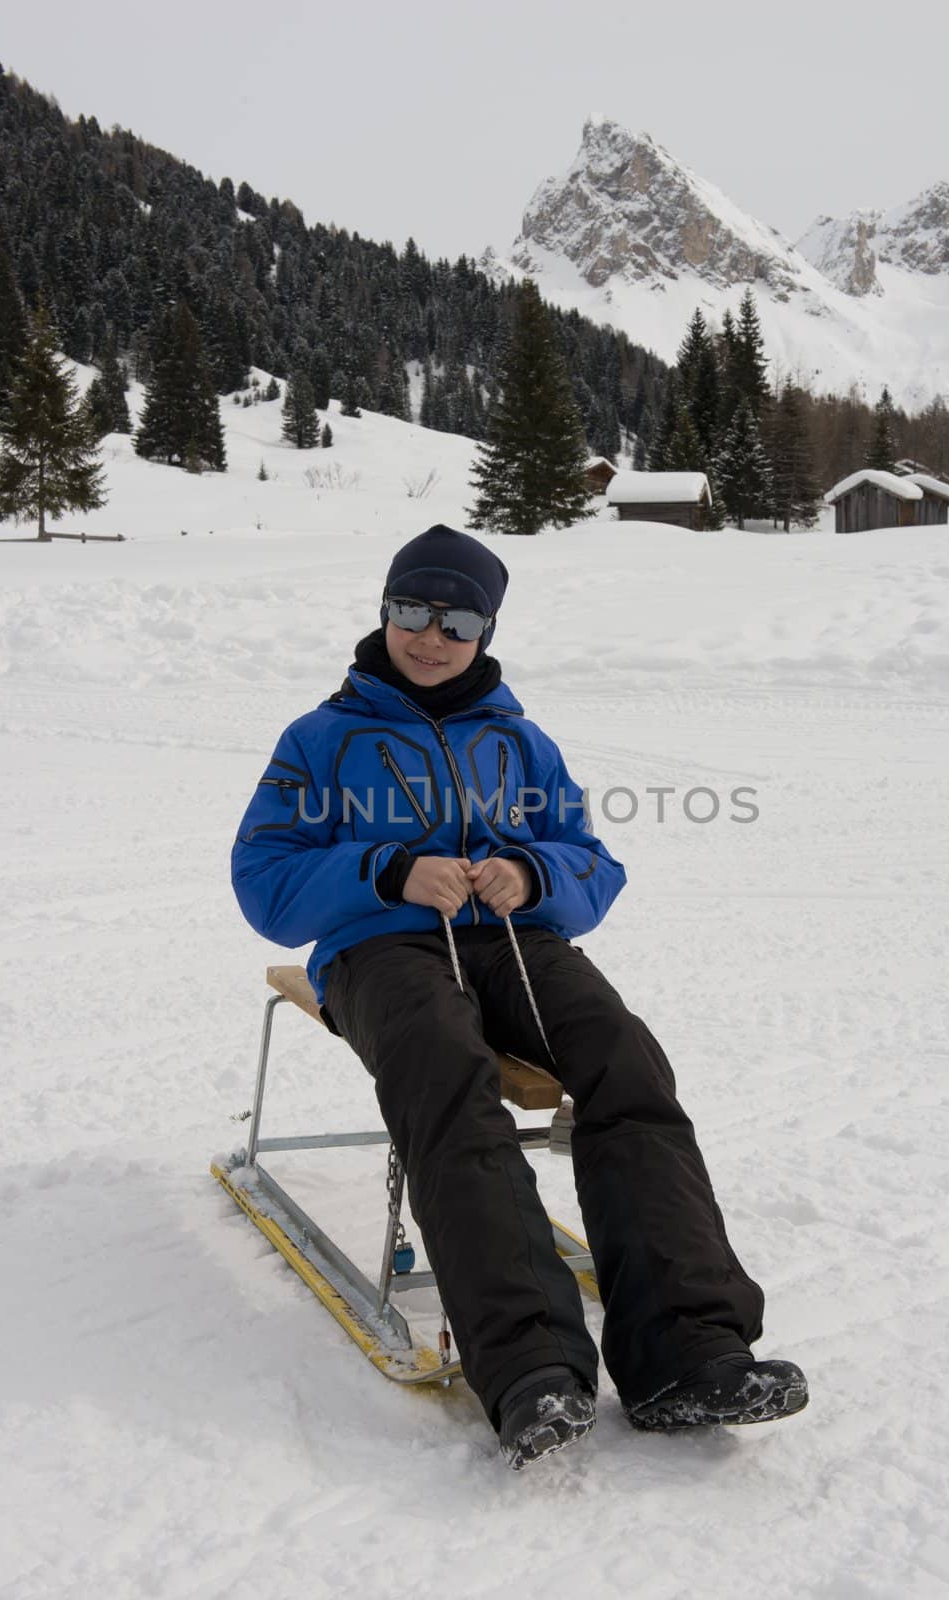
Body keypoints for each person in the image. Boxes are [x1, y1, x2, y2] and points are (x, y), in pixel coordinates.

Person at [231, 524, 808, 1470]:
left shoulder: (521, 741)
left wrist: (531, 874)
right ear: (384, 611)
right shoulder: (320, 738)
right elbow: (263, 877)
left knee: (625, 1058)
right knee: (445, 1071)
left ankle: (687, 1350)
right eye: (413, 610)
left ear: (485, 629)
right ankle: (530, 1360)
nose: (431, 634)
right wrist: (386, 871)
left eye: (456, 618)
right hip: (381, 951)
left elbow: (593, 860)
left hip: (512, 942)